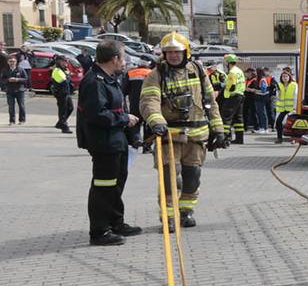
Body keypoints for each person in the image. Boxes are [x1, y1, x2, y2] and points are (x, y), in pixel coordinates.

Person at [140, 32, 229, 230]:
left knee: (192, 176)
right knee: (171, 177)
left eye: (177, 51)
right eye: (169, 52)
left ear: (186, 52)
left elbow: (210, 102)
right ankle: (169, 217)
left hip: (196, 136)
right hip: (169, 137)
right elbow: (149, 101)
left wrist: (219, 130)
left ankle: (186, 212)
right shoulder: (156, 75)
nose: (173, 55)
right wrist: (156, 122)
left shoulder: (197, 70)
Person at [77, 40, 143, 246]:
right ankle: (99, 231)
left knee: (116, 184)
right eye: (123, 57)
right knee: (103, 187)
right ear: (114, 59)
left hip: (117, 140)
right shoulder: (95, 81)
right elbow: (97, 114)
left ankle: (116, 222)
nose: (125, 62)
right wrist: (125, 119)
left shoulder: (109, 78)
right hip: (104, 142)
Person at [220, 54, 247, 144]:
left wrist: (224, 85)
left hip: (233, 96)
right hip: (240, 95)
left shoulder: (232, 72)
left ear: (228, 62)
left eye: (225, 62)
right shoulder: (239, 71)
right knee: (238, 118)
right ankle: (240, 138)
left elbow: (231, 87)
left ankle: (225, 138)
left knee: (226, 116)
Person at [50, 56, 75, 133]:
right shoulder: (57, 71)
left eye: (66, 61)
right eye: (64, 61)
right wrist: (68, 75)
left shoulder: (63, 70)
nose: (65, 63)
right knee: (63, 111)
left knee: (70, 108)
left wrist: (68, 75)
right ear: (59, 62)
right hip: (61, 93)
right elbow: (64, 82)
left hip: (66, 93)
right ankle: (64, 126)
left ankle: (60, 123)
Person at [273, 67, 298, 143]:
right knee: (278, 122)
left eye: (286, 76)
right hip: (283, 109)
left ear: (289, 77)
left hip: (292, 109)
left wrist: (295, 107)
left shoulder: (294, 85)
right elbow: (278, 97)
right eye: (283, 76)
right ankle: (279, 138)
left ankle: (294, 139)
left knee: (293, 125)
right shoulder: (279, 85)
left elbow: (296, 96)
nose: (285, 78)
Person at [3, 53, 28, 124]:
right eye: (10, 61)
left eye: (13, 61)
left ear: (16, 62)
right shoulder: (5, 70)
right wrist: (8, 80)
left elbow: (26, 79)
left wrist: (17, 79)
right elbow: (2, 80)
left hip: (20, 90)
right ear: (8, 62)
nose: (12, 63)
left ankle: (22, 120)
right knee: (11, 107)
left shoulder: (21, 69)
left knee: (21, 106)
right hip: (9, 91)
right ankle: (12, 121)